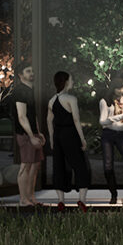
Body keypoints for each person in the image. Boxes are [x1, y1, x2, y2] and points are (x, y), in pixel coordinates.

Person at [47, 71, 92, 211]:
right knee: (80, 165)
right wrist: (82, 139)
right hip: (70, 134)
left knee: (58, 166)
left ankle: (61, 201)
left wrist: (52, 139)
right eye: (71, 80)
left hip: (58, 135)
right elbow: (76, 120)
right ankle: (82, 201)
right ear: (66, 81)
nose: (72, 82)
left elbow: (49, 121)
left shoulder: (52, 100)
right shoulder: (71, 99)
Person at [10, 65, 45, 209]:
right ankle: (23, 199)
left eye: (32, 70)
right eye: (28, 71)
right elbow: (22, 116)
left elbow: (32, 115)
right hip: (25, 134)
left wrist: (38, 132)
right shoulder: (19, 91)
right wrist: (31, 136)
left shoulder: (29, 91)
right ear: (20, 75)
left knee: (35, 165)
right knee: (26, 165)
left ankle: (31, 197)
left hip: (32, 133)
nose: (32, 73)